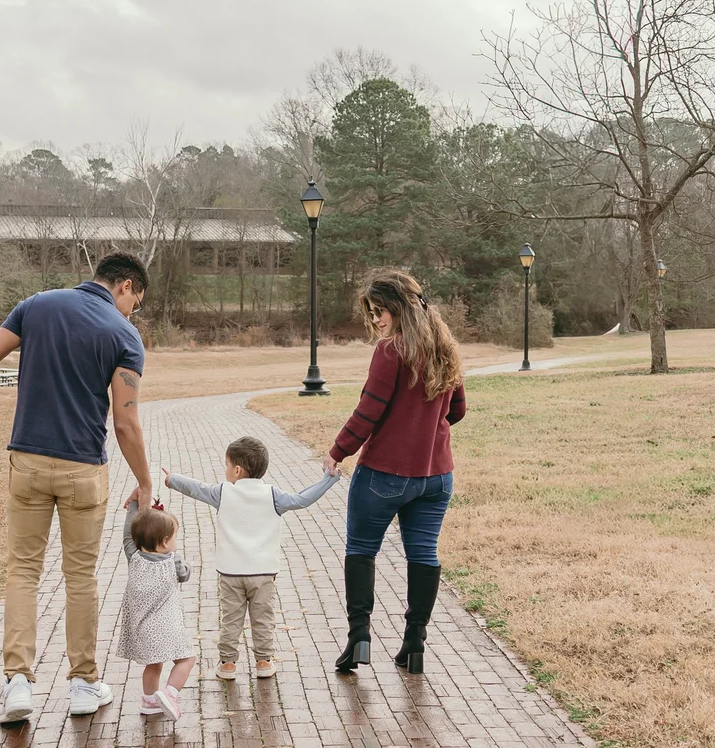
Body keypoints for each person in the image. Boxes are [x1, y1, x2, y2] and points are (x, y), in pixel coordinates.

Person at [0, 252, 153, 726]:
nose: (132, 311)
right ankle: (83, 683)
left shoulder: (36, 305)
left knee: (22, 571)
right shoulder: (123, 335)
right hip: (83, 468)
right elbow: (125, 422)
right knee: (80, 576)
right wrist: (143, 479)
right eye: (135, 301)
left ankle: (17, 682)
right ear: (124, 286)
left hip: (29, 462)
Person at [322, 268, 465, 676]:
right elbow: (457, 410)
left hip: (384, 476)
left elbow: (369, 410)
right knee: (423, 553)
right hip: (436, 478)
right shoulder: (445, 346)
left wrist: (338, 451)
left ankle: (359, 638)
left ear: (400, 307)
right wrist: (424, 432)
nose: (376, 320)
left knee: (361, 550)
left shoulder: (391, 351)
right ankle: (414, 643)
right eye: (371, 313)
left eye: (380, 311)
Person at [162, 435, 337, 680]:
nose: (224, 470)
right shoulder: (273, 495)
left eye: (226, 465)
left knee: (231, 620)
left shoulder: (223, 493)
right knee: (263, 619)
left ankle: (228, 665)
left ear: (236, 469)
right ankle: (264, 662)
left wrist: (171, 480)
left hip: (231, 573)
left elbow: (195, 488)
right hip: (264, 574)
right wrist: (328, 481)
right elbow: (302, 499)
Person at [113, 503, 195, 719]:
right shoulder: (173, 562)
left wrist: (133, 507)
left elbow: (127, 536)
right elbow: (185, 574)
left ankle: (149, 701)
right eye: (175, 537)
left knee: (153, 665)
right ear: (166, 541)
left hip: (143, 630)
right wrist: (181, 561)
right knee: (186, 660)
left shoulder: (134, 558)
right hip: (167, 627)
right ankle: (170, 693)